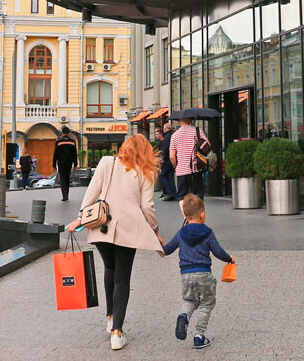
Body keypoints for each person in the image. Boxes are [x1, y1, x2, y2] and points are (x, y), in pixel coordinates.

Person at [67, 134, 165, 352]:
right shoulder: (145, 171)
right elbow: (147, 207)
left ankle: (111, 318)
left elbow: (91, 194)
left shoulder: (106, 162)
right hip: (128, 229)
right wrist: (155, 230)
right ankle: (117, 333)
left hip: (102, 225)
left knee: (109, 268)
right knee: (122, 278)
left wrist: (81, 218)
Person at [163, 194, 233, 350]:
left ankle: (183, 316)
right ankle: (199, 336)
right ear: (202, 214)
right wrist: (229, 259)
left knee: (190, 301)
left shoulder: (181, 232)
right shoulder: (207, 232)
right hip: (203, 274)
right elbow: (217, 251)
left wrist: (157, 243)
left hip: (186, 276)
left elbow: (167, 250)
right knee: (206, 304)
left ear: (186, 215)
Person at [169, 117, 210, 199]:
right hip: (196, 169)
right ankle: (199, 212)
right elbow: (207, 147)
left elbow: (172, 157)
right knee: (197, 197)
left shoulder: (174, 135)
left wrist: (176, 166)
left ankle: (185, 212)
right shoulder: (198, 131)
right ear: (191, 121)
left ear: (180, 122)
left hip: (182, 171)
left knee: (182, 197)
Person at [52, 127, 78, 202]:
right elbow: (75, 154)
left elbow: (55, 154)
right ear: (68, 132)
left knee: (62, 178)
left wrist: (54, 165)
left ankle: (64, 196)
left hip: (61, 163)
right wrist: (75, 164)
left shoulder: (58, 142)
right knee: (67, 178)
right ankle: (67, 194)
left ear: (62, 133)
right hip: (69, 162)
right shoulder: (72, 142)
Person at [157, 125, 178, 201]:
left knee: (161, 176)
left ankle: (169, 193)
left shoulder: (166, 137)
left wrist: (161, 161)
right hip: (171, 160)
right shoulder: (171, 136)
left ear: (165, 129)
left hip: (167, 161)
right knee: (170, 177)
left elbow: (165, 150)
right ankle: (174, 194)